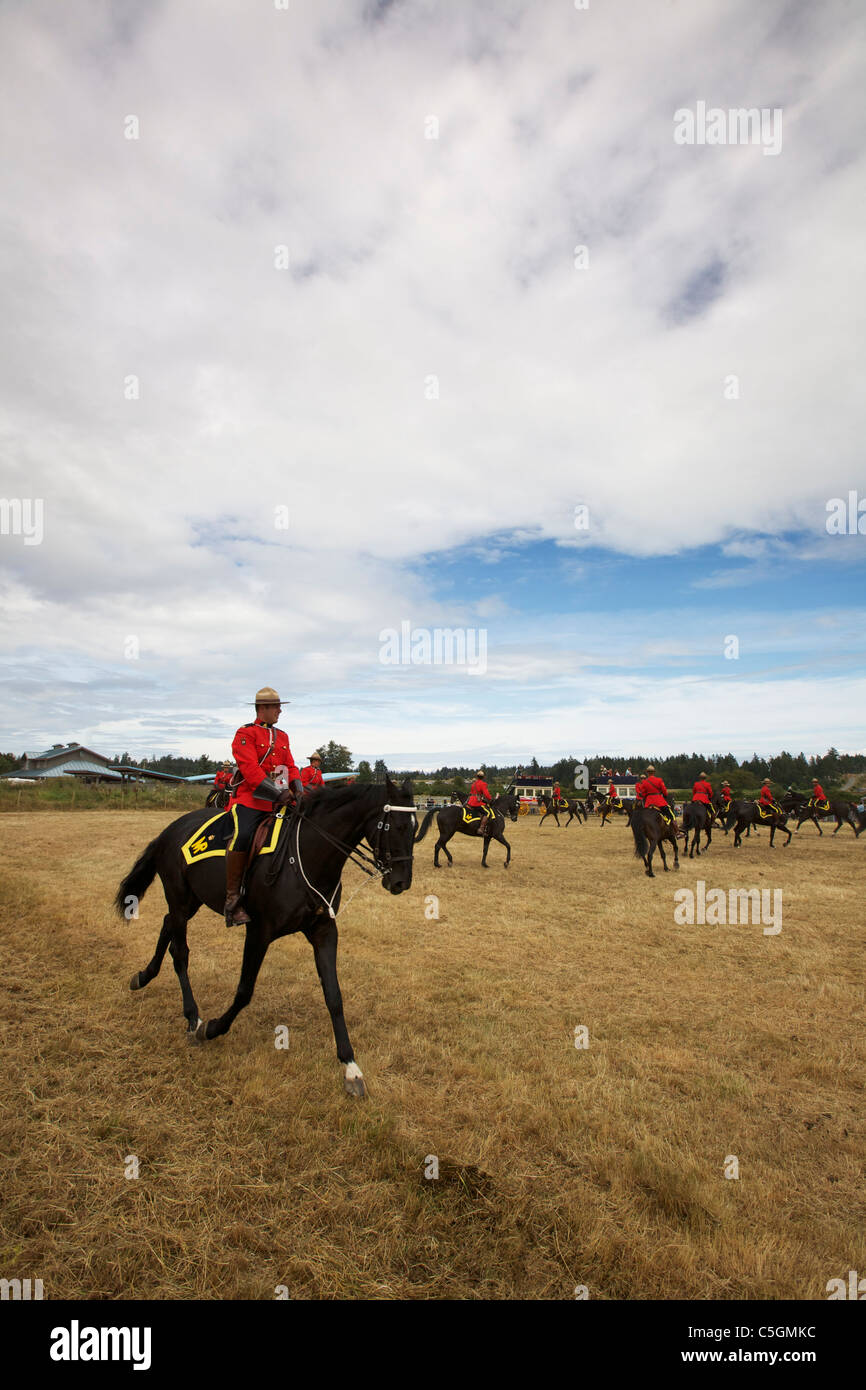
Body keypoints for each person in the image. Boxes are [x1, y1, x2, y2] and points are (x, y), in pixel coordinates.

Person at [224, 686, 302, 927]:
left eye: (280, 707)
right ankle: (233, 899)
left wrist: (298, 787)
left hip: (279, 802)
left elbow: (290, 765)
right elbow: (250, 771)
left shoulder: (283, 737)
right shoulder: (245, 734)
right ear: (263, 709)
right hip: (250, 801)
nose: (280, 711)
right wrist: (278, 793)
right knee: (245, 835)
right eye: (277, 707)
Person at [467, 769, 494, 835]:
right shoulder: (483, 784)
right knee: (487, 813)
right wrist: (491, 798)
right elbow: (486, 794)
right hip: (477, 802)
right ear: (483, 777)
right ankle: (481, 828)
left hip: (470, 802)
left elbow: (471, 793)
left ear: (477, 776)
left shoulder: (473, 784)